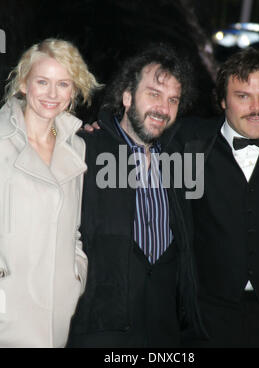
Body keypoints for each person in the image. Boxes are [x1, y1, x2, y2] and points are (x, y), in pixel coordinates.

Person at [67, 44, 207, 348]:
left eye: (173, 100)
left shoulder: (180, 159)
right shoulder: (85, 148)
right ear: (128, 97)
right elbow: (45, 135)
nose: (163, 108)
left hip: (164, 332)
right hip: (100, 330)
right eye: (153, 94)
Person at [174, 47, 259, 347]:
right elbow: (137, 134)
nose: (256, 107)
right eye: (243, 96)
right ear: (222, 101)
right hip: (207, 319)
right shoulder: (189, 145)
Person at [0, 38, 99, 347]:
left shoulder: (76, 146)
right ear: (24, 84)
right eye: (42, 82)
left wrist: (75, 276)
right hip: (8, 309)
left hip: (57, 311)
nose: (52, 94)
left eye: (63, 84)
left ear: (73, 91)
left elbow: (74, 229)